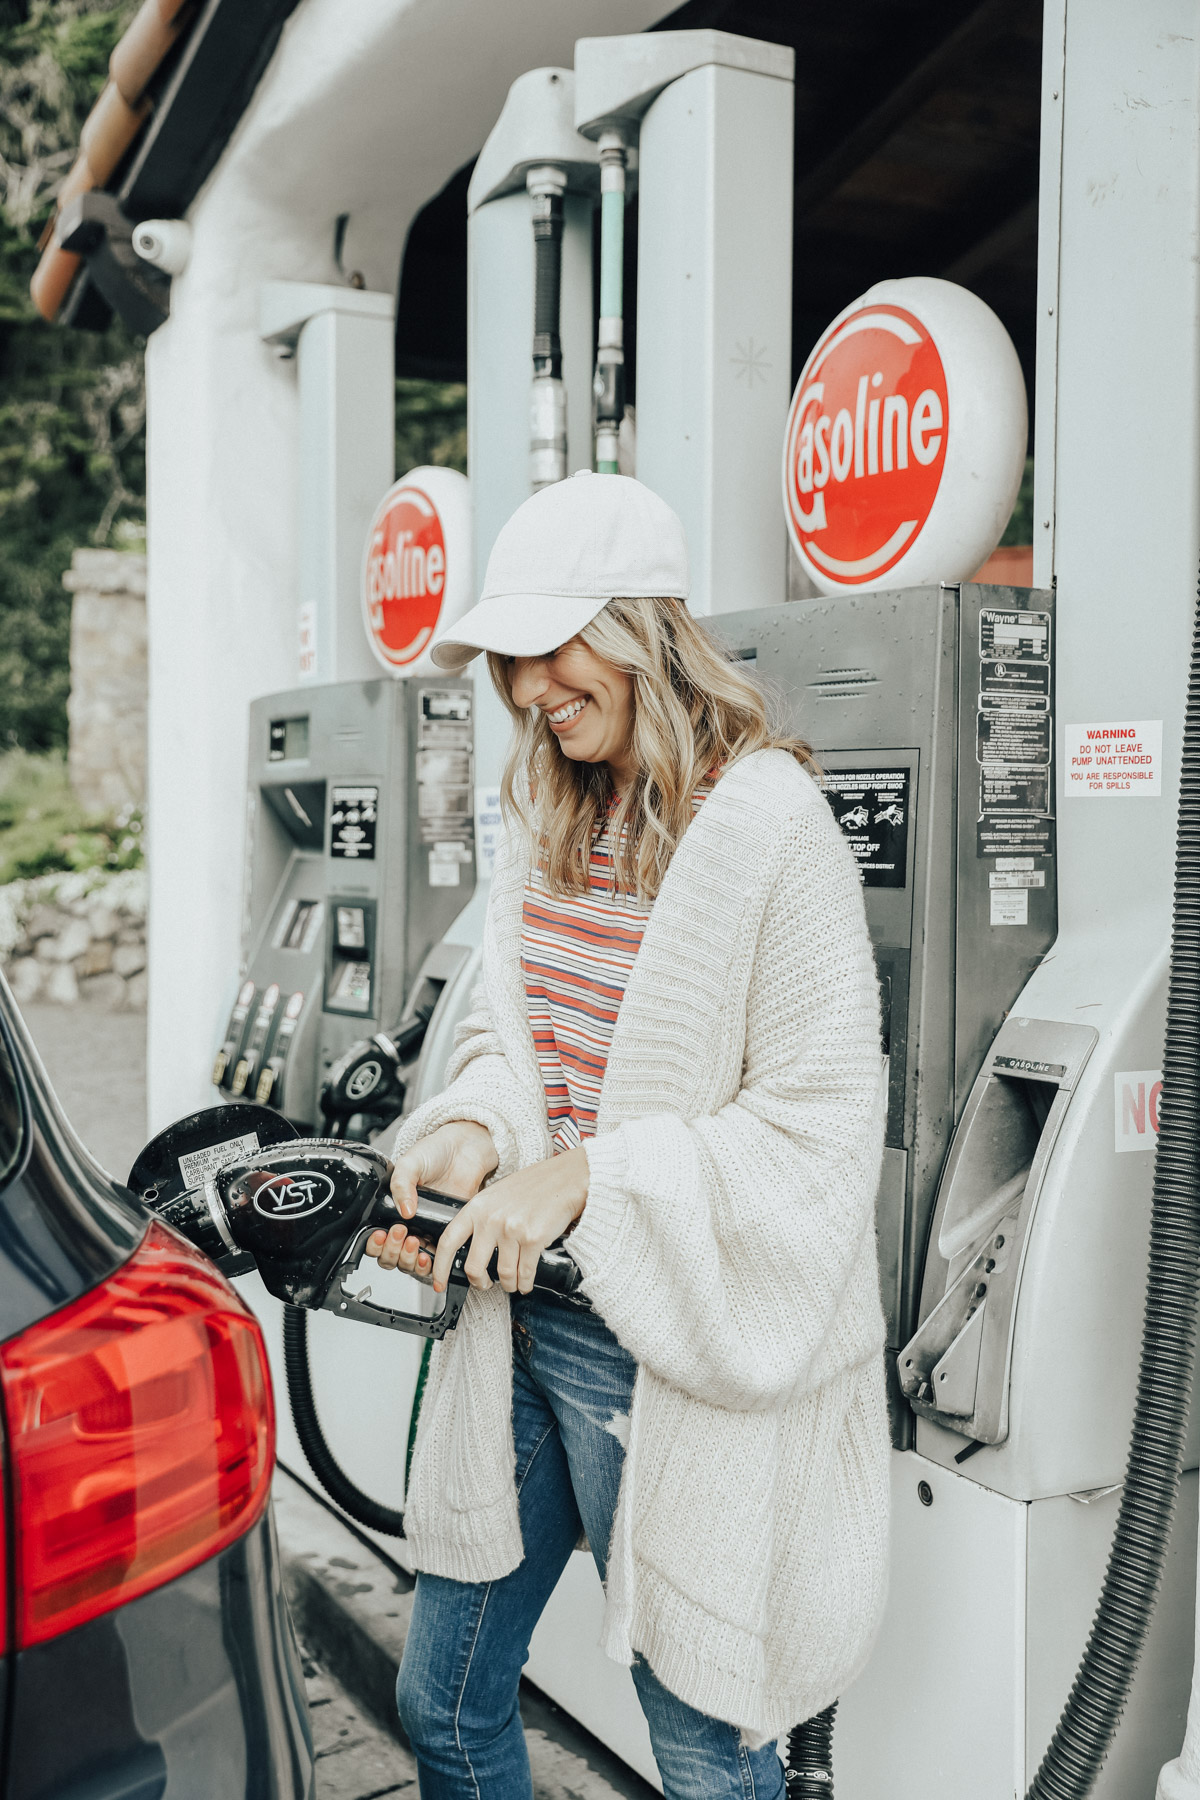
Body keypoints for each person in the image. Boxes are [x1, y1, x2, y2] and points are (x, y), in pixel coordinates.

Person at [364, 472, 890, 1800]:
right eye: (509, 659)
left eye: (550, 646)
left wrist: (592, 1173)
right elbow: (512, 1044)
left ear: (642, 626)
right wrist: (473, 1134)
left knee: (707, 1751)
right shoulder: (544, 811)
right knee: (444, 1703)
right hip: (525, 1324)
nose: (528, 686)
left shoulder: (771, 824)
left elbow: (820, 1125)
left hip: (673, 1357)